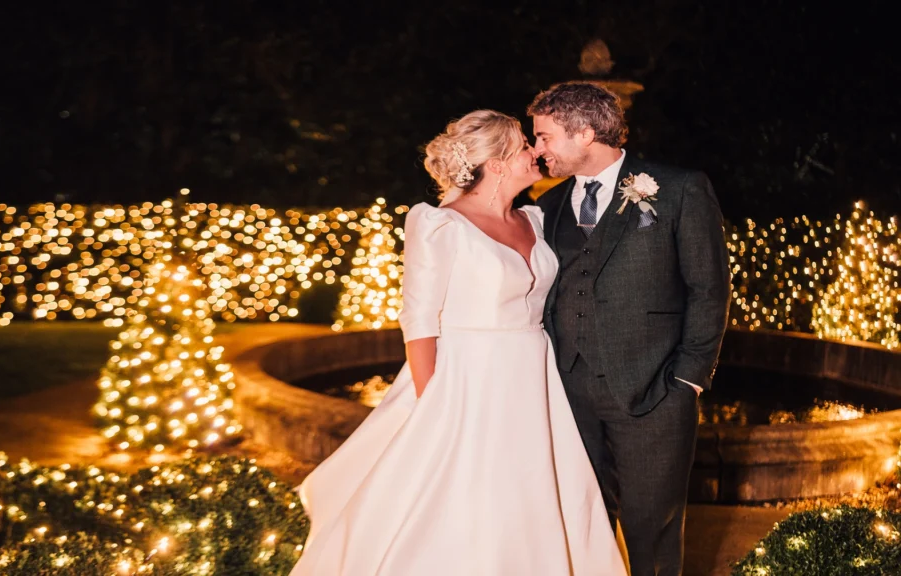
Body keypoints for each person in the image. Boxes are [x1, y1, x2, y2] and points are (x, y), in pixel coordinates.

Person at [289, 109, 626, 575]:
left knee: (535, 489)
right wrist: (433, 401)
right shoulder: (437, 224)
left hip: (535, 379)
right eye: (526, 145)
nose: (537, 151)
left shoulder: (535, 218)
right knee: (465, 495)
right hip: (467, 379)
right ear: (501, 162)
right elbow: (419, 320)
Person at [530, 81, 731, 576]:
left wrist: (687, 377)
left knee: (652, 528)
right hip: (568, 392)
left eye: (544, 136)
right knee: (582, 521)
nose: (537, 149)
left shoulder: (680, 187)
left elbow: (709, 287)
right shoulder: (548, 206)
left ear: (583, 132)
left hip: (655, 390)